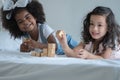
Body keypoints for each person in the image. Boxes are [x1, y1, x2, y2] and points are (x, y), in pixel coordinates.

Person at [1, 0, 78, 55]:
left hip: (66, 42)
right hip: (63, 52)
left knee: (83, 50)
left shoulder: (44, 28)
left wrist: (38, 45)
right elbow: (32, 49)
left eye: (27, 17)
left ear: (35, 17)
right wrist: (25, 49)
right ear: (16, 26)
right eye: (20, 22)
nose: (25, 22)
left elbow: (55, 47)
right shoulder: (25, 35)